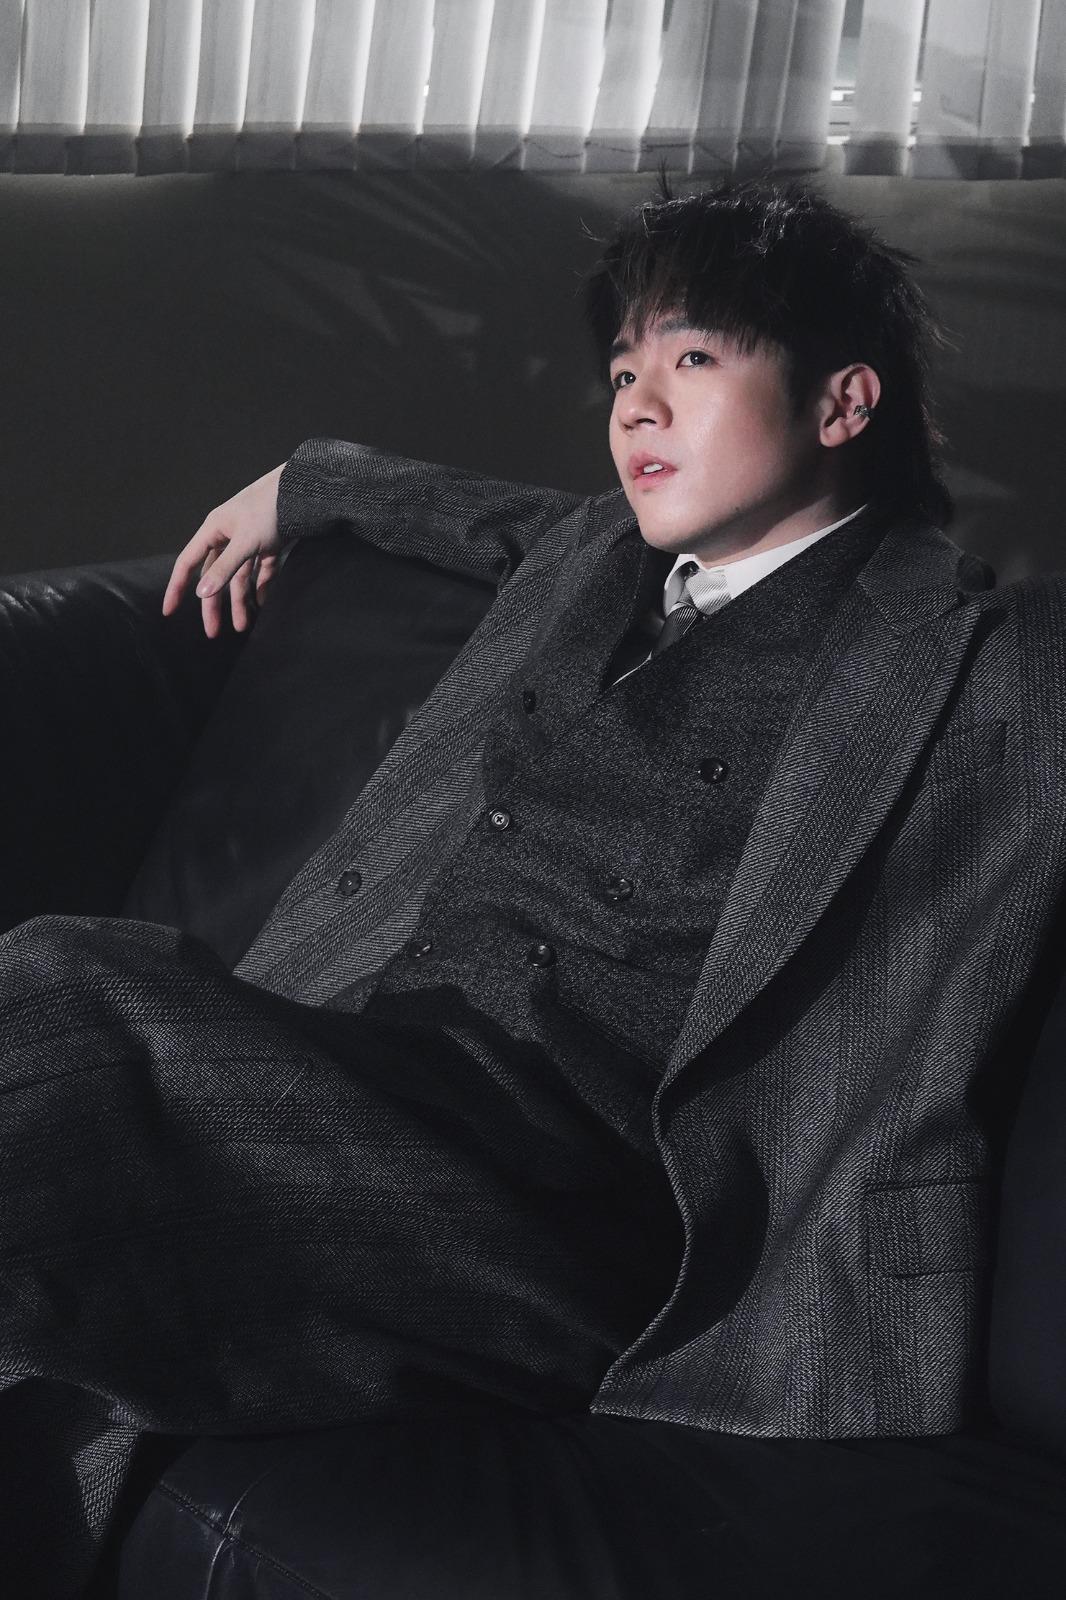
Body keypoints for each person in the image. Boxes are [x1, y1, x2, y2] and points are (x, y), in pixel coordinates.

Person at [3, 177, 1066, 1597]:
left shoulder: (963, 655)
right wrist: (302, 485)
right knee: (64, 1280)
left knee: (70, 994)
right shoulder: (592, 561)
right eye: (622, 373)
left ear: (841, 402)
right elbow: (475, 515)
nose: (636, 407)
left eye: (694, 358)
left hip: (574, 1214)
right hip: (379, 1096)